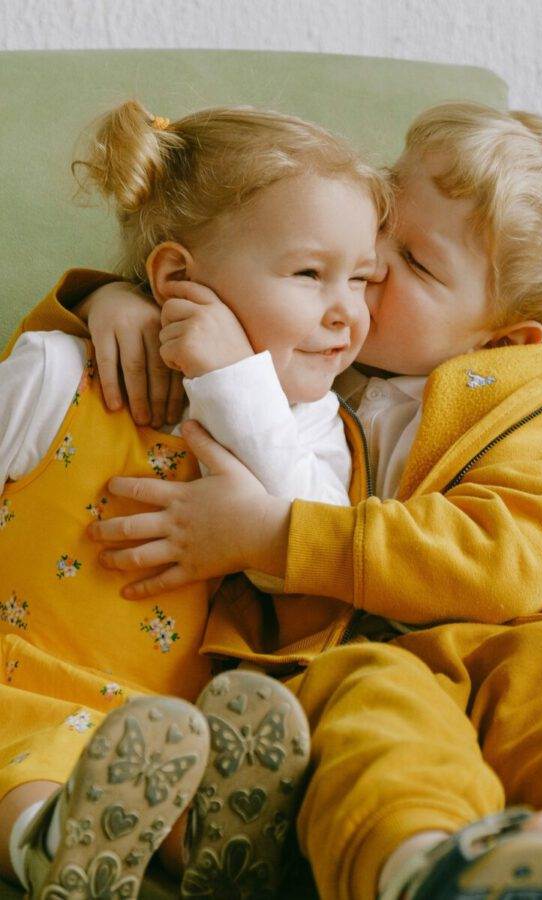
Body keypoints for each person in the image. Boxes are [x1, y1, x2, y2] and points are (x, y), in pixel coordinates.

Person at [12, 101, 542, 899]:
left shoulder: (535, 407)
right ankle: (432, 871)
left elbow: (501, 564)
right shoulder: (319, 360)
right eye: (385, 222)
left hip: (517, 657)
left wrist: (274, 537)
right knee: (381, 750)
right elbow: (215, 293)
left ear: (506, 338)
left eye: (416, 262)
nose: (370, 265)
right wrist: (116, 301)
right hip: (363, 666)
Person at [0, 98, 393, 897]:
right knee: (25, 754)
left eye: (364, 279)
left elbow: (313, 547)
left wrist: (233, 381)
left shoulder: (316, 431)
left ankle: (214, 850)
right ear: (178, 278)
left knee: (182, 767)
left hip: (165, 729)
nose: (347, 313)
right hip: (15, 676)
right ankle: (54, 848)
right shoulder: (60, 372)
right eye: (310, 274)